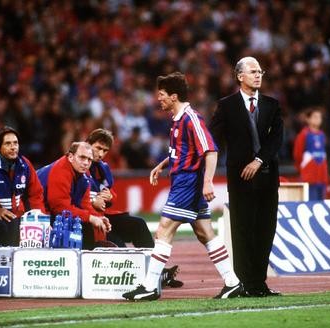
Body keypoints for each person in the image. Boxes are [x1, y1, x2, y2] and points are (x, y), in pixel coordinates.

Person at [123, 72, 240, 301]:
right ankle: (233, 282)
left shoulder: (191, 118)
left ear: (174, 96)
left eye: (162, 95)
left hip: (188, 183)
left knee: (163, 229)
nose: (159, 99)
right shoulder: (177, 119)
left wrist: (207, 181)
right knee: (205, 232)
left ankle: (149, 286)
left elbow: (210, 150)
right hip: (183, 180)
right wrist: (163, 164)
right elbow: (185, 151)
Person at [209, 56, 284, 297]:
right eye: (253, 71)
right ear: (240, 76)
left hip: (267, 178)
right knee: (242, 232)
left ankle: (258, 284)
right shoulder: (226, 105)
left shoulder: (272, 105)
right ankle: (243, 283)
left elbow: (276, 139)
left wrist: (259, 160)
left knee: (265, 230)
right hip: (240, 180)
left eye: (260, 71)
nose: (258, 75)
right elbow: (211, 139)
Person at [86, 128, 183, 288]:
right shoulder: (78, 164)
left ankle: (157, 271)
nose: (101, 154)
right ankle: (131, 278)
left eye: (105, 150)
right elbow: (73, 195)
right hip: (87, 219)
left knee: (138, 224)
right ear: (88, 144)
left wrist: (110, 196)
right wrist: (93, 198)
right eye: (98, 148)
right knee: (117, 244)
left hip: (103, 215)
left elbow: (110, 192)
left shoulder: (102, 167)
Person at [37, 141, 111, 250]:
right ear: (71, 157)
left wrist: (98, 217)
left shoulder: (84, 175)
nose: (86, 163)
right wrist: (91, 218)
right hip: (36, 214)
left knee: (87, 225)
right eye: (82, 157)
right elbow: (60, 208)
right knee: (83, 225)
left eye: (89, 160)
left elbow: (85, 205)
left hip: (50, 212)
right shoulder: (61, 171)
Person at [293, 108, 328, 200]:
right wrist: (302, 170)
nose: (318, 119)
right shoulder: (303, 134)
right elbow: (297, 155)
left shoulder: (322, 135)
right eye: (315, 117)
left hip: (322, 177)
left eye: (319, 117)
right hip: (309, 177)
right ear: (307, 119)